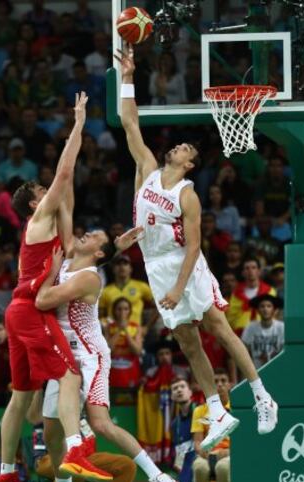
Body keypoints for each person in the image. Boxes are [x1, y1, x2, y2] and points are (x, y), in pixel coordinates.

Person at [116, 43, 278, 451]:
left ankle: (262, 395)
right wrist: (129, 77)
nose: (179, 147)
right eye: (179, 146)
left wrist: (177, 288)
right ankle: (217, 411)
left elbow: (193, 249)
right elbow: (128, 120)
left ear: (190, 164)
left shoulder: (188, 195)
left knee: (218, 328)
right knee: (187, 342)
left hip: (183, 264)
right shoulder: (149, 171)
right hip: (155, 265)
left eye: (186, 149)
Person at [0, 93, 111, 482]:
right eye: (44, 191)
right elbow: (62, 173)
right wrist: (78, 125)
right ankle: (77, 448)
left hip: (21, 311)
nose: (51, 190)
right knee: (70, 372)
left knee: (20, 398)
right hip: (29, 310)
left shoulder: (56, 227)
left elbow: (68, 183)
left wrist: (71, 170)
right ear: (34, 203)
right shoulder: (38, 220)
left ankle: (5, 476)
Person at [35, 229, 179, 482]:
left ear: (99, 253)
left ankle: (160, 479)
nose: (84, 234)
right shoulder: (70, 263)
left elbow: (44, 300)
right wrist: (113, 246)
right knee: (50, 432)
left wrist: (47, 275)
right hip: (62, 355)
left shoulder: (89, 277)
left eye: (93, 236)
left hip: (90, 357)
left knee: (101, 424)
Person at [191, 368, 232, 482]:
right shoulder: (200, 410)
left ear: (229, 385)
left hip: (229, 454)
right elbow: (197, 441)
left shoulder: (237, 407)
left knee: (223, 468)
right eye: (215, 381)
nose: (220, 385)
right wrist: (202, 450)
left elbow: (242, 441)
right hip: (208, 454)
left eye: (223, 381)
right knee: (198, 466)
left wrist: (230, 452)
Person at [227, 257, 277, 334]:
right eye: (247, 268)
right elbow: (231, 318)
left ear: (259, 271)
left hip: (265, 333)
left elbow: (274, 314)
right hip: (240, 334)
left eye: (253, 267)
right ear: (243, 272)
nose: (250, 271)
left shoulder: (269, 291)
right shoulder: (236, 293)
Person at [104, 296, 143, 390]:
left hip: (130, 369)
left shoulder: (136, 327)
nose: (122, 312)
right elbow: (107, 350)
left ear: (130, 311)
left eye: (125, 309)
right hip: (112, 369)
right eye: (119, 309)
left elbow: (137, 351)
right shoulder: (108, 327)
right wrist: (118, 331)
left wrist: (125, 330)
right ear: (114, 311)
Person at [241, 294, 284, 369]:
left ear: (274, 310)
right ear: (257, 310)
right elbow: (244, 350)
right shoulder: (251, 327)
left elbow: (283, 350)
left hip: (278, 368)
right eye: (262, 306)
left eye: (269, 306)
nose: (265, 309)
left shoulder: (281, 327)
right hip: (257, 371)